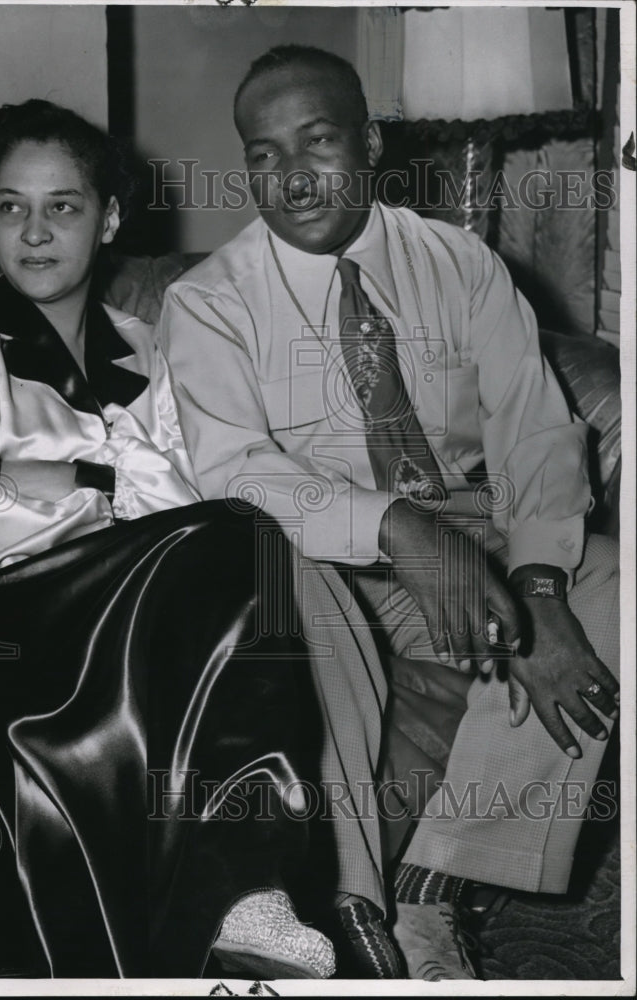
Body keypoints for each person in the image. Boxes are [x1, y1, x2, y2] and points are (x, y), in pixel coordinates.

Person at [0, 97, 390, 980]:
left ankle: (250, 888)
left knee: (249, 543)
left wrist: (53, 482)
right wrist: (110, 485)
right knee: (229, 542)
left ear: (109, 217)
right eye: (11, 206)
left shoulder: (159, 353)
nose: (33, 233)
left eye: (63, 206)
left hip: (126, 617)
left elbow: (202, 491)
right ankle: (243, 884)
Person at [158, 45, 621, 980]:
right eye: (261, 154)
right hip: (318, 554)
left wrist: (536, 589)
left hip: (471, 525)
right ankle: (350, 908)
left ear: (368, 142)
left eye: (317, 141)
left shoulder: (458, 263)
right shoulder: (207, 303)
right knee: (269, 575)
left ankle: (433, 888)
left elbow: (531, 427)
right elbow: (235, 470)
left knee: (621, 585)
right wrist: (400, 531)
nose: (289, 177)